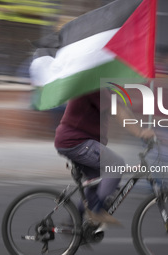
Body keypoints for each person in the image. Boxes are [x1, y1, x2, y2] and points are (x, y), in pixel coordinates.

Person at [54, 89, 154, 224]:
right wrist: (140, 132)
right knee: (116, 165)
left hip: (78, 141)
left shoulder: (104, 89)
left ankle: (73, 222)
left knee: (98, 182)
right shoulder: (94, 85)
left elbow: (123, 109)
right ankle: (97, 211)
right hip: (76, 141)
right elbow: (118, 111)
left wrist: (141, 130)